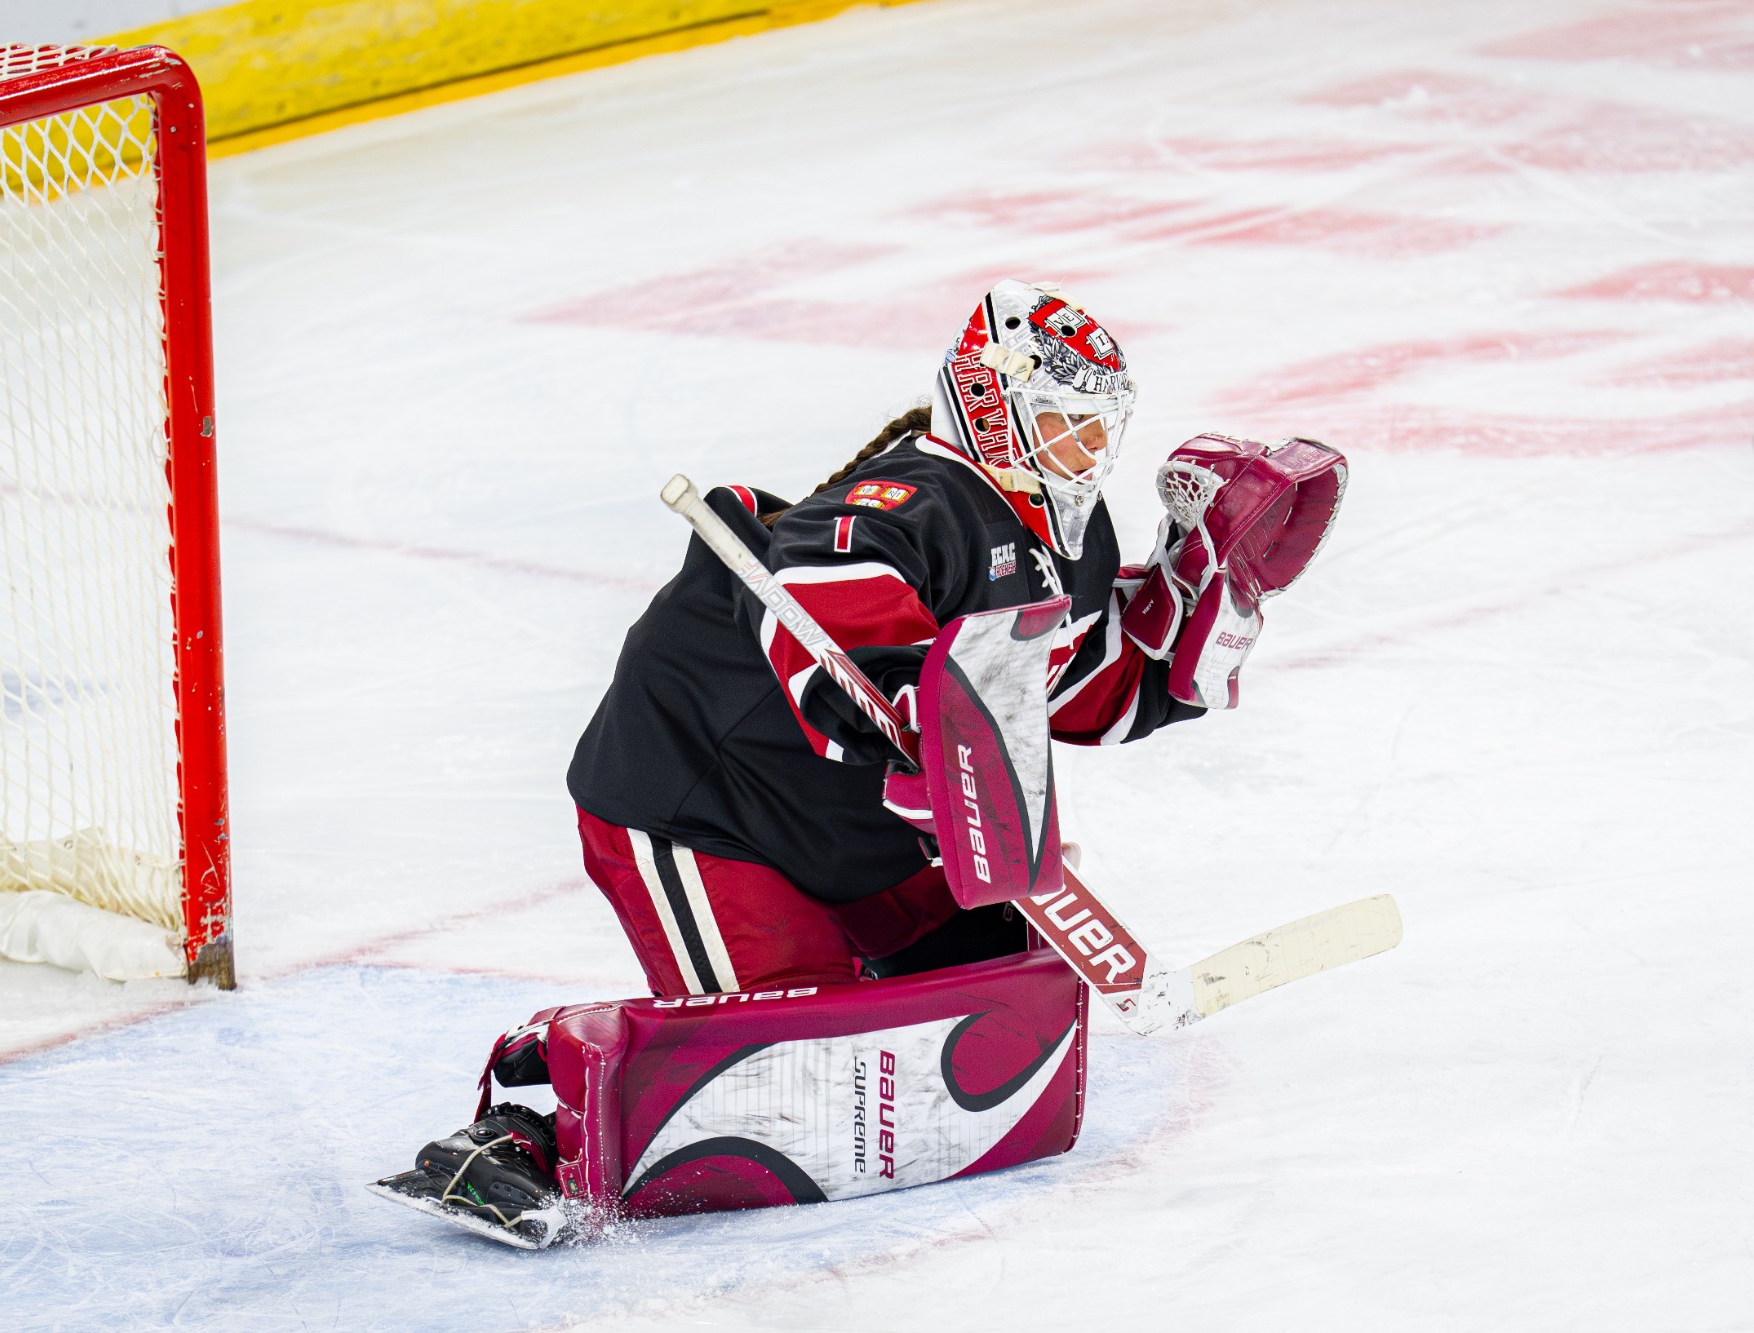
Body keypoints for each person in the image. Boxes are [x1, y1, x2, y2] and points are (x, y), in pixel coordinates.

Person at [376, 279, 1335, 1242]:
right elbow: (824, 570)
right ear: (993, 405)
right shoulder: (916, 497)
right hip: (707, 804)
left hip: (852, 818)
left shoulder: (1071, 542)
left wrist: (1201, 600)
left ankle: (826, 1001)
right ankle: (523, 1123)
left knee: (998, 987)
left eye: (1099, 431)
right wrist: (915, 695)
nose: (1087, 454)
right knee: (779, 1072)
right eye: (1063, 425)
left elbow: (1087, 692)